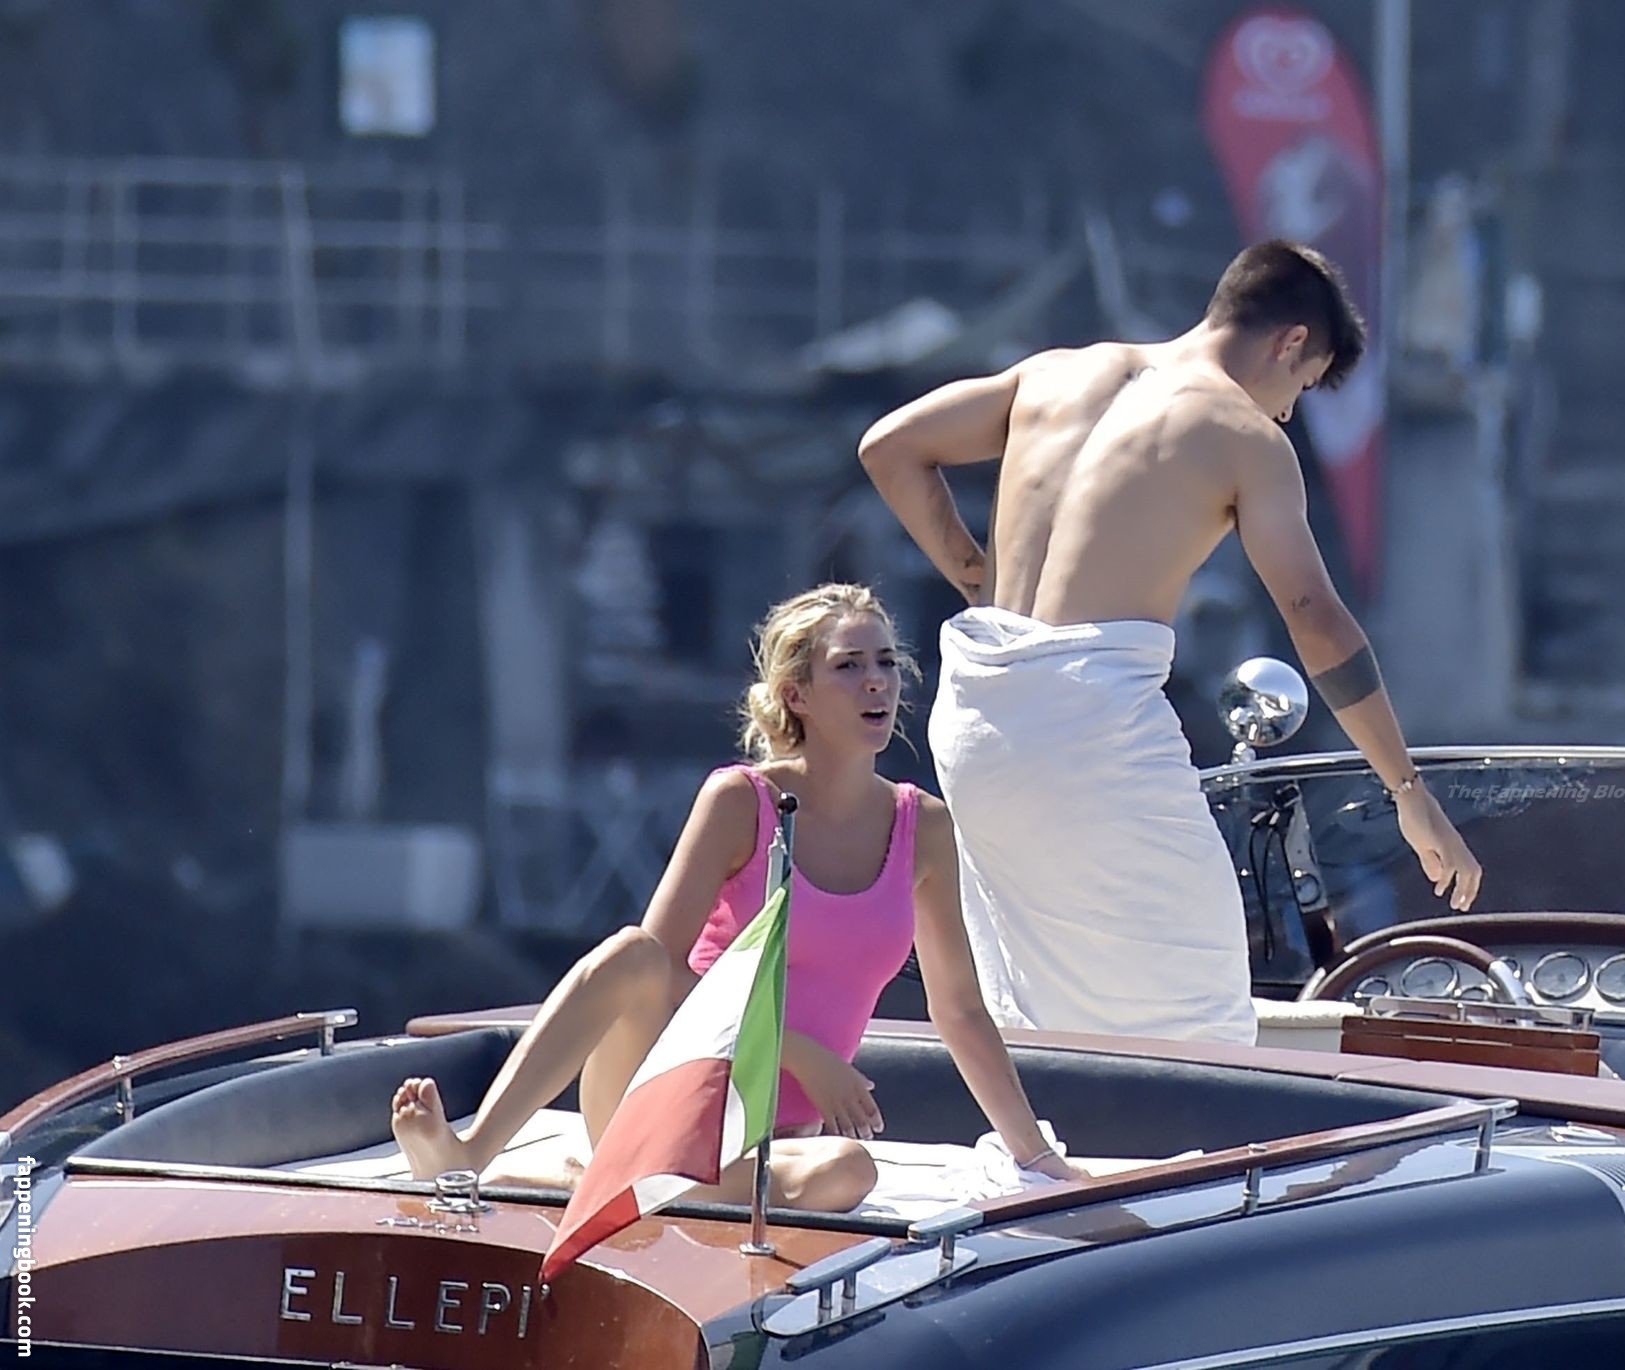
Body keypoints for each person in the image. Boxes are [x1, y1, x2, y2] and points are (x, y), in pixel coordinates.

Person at [857, 238, 1483, 1046]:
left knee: (1041, 1000)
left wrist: (977, 577)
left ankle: (1049, 1128)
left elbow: (890, 447)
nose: (1287, 413)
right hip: (1088, 727)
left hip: (978, 716)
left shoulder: (1053, 373)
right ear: (1290, 341)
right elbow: (1314, 614)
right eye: (1300, 387)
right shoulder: (1242, 435)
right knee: (1202, 1006)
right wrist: (1408, 791)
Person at [390, 583, 1087, 1210]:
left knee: (848, 1171)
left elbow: (959, 1009)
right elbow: (658, 973)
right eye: (848, 666)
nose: (876, 681)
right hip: (669, 1093)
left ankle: (610, 1180)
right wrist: (797, 1052)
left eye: (885, 662)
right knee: (631, 952)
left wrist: (1036, 1156)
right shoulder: (740, 801)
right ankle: (471, 1154)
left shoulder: (922, 826)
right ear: (797, 694)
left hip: (770, 1142)